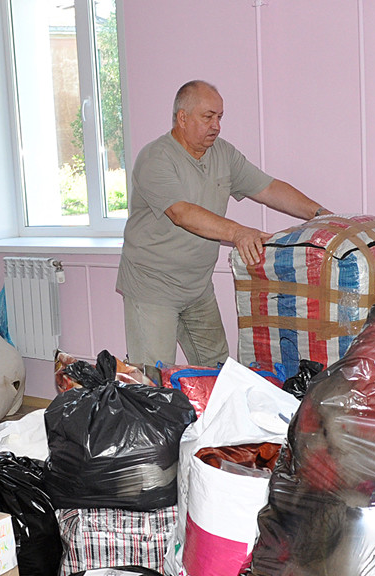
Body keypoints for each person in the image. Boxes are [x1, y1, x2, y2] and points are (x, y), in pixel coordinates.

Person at [117, 79, 331, 373]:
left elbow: (268, 188)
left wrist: (320, 214)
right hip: (152, 286)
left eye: (219, 117)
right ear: (182, 118)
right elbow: (181, 212)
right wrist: (238, 232)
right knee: (152, 378)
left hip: (197, 287)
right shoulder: (156, 158)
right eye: (208, 117)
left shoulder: (223, 154)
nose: (216, 126)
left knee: (218, 371)